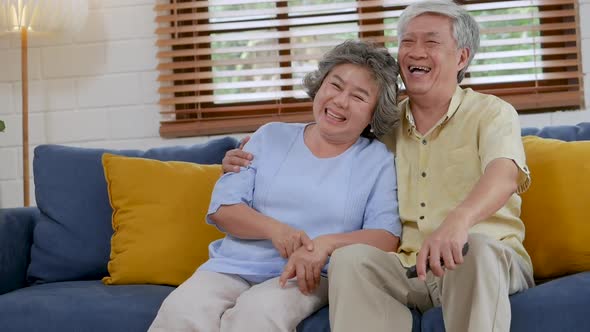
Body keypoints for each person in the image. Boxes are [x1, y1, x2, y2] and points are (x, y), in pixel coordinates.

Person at [223, 1, 535, 331]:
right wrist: (253, 154)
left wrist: (459, 220)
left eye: (431, 42)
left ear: (461, 57)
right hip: (408, 266)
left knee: (478, 248)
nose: (416, 52)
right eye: (407, 41)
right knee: (349, 260)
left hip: (478, 260)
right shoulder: (382, 124)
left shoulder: (492, 113)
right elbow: (326, 135)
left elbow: (504, 175)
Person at [148, 40, 402, 332]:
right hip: (232, 267)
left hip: (307, 275)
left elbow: (385, 237)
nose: (341, 101)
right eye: (335, 85)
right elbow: (223, 209)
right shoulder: (269, 136)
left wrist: (323, 244)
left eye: (358, 97)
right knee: (181, 311)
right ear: (320, 86)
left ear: (374, 113)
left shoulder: (378, 161)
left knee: (256, 316)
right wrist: (277, 230)